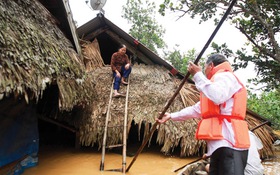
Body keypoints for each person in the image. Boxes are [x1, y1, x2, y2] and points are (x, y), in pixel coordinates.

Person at [157, 54, 250, 175]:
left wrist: (197, 74)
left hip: (230, 144)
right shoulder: (213, 85)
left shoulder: (225, 76)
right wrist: (171, 116)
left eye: (205, 67)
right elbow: (196, 109)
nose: (204, 71)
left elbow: (218, 96)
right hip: (219, 147)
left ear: (211, 65)